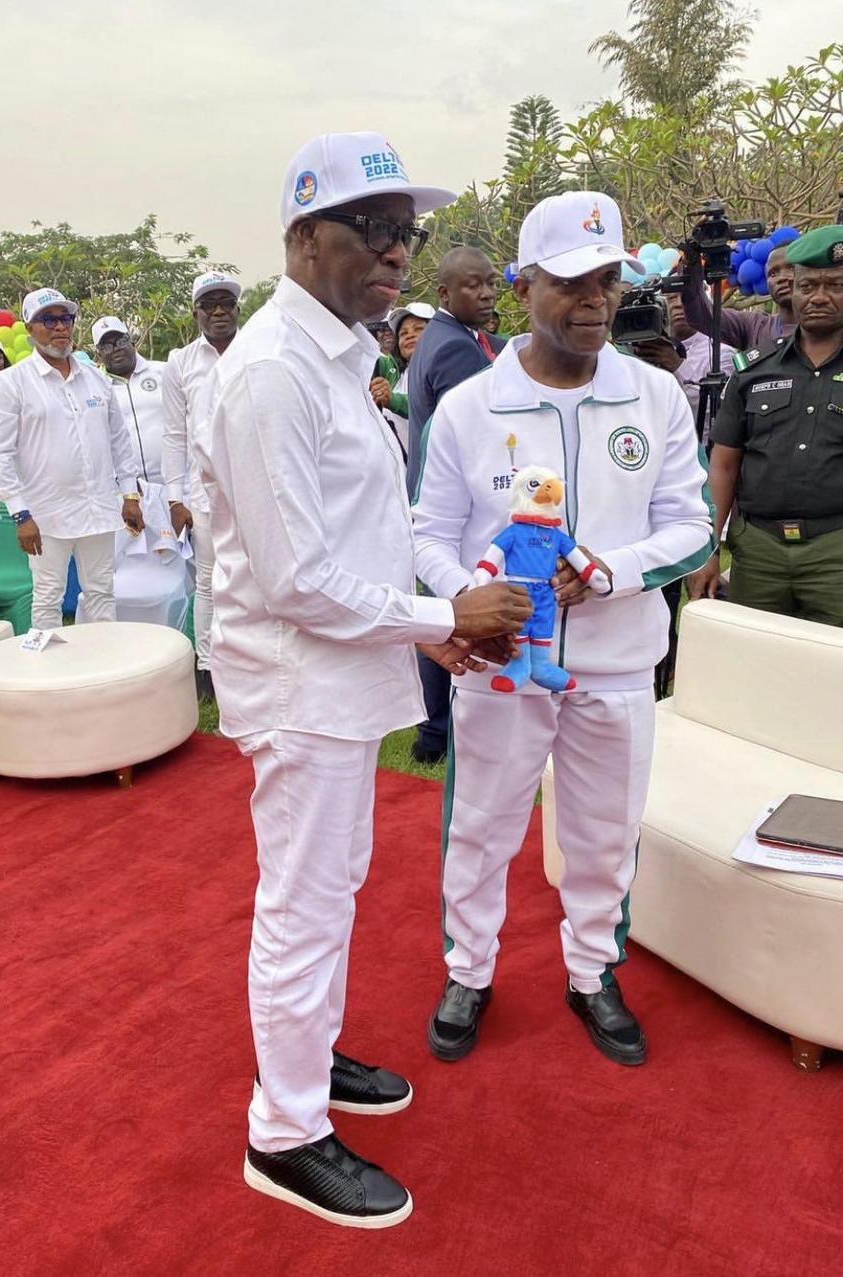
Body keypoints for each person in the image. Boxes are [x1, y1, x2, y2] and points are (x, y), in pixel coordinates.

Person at [195, 130, 531, 1229]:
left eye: (405, 233)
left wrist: (432, 629)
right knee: (299, 904)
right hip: (300, 684)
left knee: (327, 894)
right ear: (303, 237)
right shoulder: (269, 373)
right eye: (370, 229)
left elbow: (360, 534)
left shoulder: (337, 354)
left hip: (342, 674)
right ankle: (281, 1132)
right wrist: (441, 616)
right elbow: (297, 577)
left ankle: (308, 1058)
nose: (395, 252)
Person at [413, 190, 714, 1070]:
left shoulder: (653, 395)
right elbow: (425, 532)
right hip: (502, 664)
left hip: (617, 665)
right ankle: (469, 969)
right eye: (570, 283)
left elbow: (691, 524)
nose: (594, 301)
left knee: (604, 830)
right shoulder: (471, 406)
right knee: (481, 825)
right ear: (523, 284)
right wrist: (470, 597)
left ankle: (592, 971)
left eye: (608, 282)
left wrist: (608, 571)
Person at [688, 224, 843, 623]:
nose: (819, 297)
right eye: (808, 286)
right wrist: (708, 551)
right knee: (758, 668)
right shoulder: (754, 368)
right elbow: (723, 465)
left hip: (836, 551)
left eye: (835, 285)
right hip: (759, 552)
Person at [0, 288, 145, 631]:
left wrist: (129, 494)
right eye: (49, 320)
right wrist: (21, 513)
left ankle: (104, 669)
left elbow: (119, 440)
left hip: (98, 508)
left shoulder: (96, 379)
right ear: (29, 328)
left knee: (102, 592)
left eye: (66, 319)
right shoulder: (11, 383)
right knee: (48, 597)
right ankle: (49, 676)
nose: (60, 328)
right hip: (45, 515)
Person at [406, 246, 501, 765]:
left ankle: (434, 728)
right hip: (452, 504)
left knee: (442, 612)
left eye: (489, 282)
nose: (486, 293)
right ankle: (438, 729)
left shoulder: (459, 338)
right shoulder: (452, 350)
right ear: (444, 293)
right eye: (472, 285)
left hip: (438, 498)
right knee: (451, 612)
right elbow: (481, 433)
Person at [162, 271, 241, 696]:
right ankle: (209, 666)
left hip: (254, 488)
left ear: (237, 308)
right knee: (209, 580)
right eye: (208, 304)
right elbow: (174, 433)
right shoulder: (181, 361)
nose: (218, 311)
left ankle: (254, 657)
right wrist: (175, 497)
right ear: (196, 312)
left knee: (259, 575)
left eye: (225, 302)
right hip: (204, 491)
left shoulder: (257, 347)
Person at [631, 291, 737, 432]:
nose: (678, 305)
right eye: (671, 298)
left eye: (686, 297)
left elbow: (718, 414)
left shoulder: (721, 352)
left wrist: (678, 366)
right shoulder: (639, 350)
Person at [92, 316, 167, 485]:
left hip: (179, 487)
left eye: (120, 341)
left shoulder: (165, 371)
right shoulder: (96, 388)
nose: (116, 349)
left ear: (132, 342)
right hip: (129, 495)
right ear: (98, 353)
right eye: (106, 346)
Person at [682, 242, 796, 349]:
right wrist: (692, 267)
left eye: (791, 268)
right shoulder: (756, 327)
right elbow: (703, 316)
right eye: (773, 273)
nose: (781, 278)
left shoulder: (813, 329)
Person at [369, 300, 434, 461]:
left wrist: (392, 400)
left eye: (419, 329)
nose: (410, 335)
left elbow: (429, 407)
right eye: (403, 333)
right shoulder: (393, 371)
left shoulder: (443, 370)